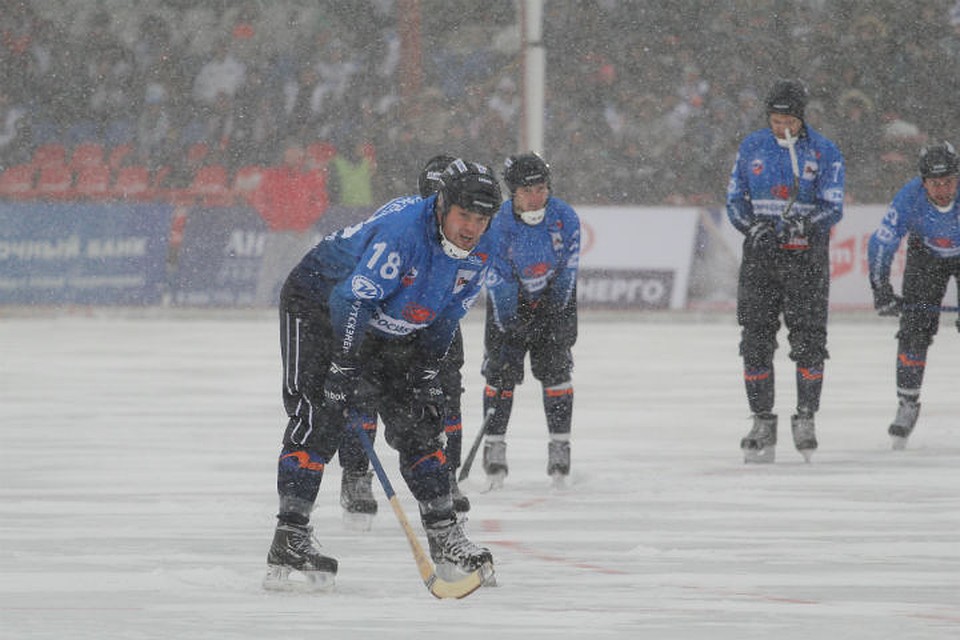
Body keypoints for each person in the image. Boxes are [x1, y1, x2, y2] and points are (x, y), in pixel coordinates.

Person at [263, 159, 501, 591]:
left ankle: (446, 536)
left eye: (482, 219)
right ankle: (289, 538)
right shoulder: (403, 233)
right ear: (442, 205)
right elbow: (350, 301)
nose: (472, 228)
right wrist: (343, 366)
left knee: (418, 421)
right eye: (464, 215)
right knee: (322, 415)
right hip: (321, 304)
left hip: (388, 317)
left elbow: (448, 314)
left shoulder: (483, 248)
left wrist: (427, 371)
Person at [336, 154, 472, 525]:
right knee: (363, 395)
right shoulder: (401, 216)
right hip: (386, 318)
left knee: (445, 393)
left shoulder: (470, 223)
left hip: (435, 315)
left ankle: (445, 474)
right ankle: (355, 475)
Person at [725, 79, 845, 464]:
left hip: (806, 260)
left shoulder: (824, 151)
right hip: (761, 259)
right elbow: (734, 199)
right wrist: (751, 227)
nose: (782, 128)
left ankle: (806, 417)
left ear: (801, 118)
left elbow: (834, 205)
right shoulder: (752, 147)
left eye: (788, 121)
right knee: (755, 340)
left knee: (809, 339)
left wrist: (806, 227)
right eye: (776, 121)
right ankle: (762, 420)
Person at [480, 152, 581, 488]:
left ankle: (560, 446)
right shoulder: (497, 224)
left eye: (541, 189)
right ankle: (494, 448)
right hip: (510, 303)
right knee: (500, 374)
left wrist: (551, 314)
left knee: (556, 372)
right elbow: (498, 277)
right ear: (513, 194)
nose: (537, 197)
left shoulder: (565, 217)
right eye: (528, 191)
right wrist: (512, 320)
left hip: (555, 302)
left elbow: (568, 271)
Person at [867, 141, 960, 450]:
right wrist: (881, 287)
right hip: (927, 255)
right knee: (914, 330)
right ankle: (907, 403)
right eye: (936, 184)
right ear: (923, 183)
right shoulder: (909, 196)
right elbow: (882, 241)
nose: (944, 189)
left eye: (949, 182)